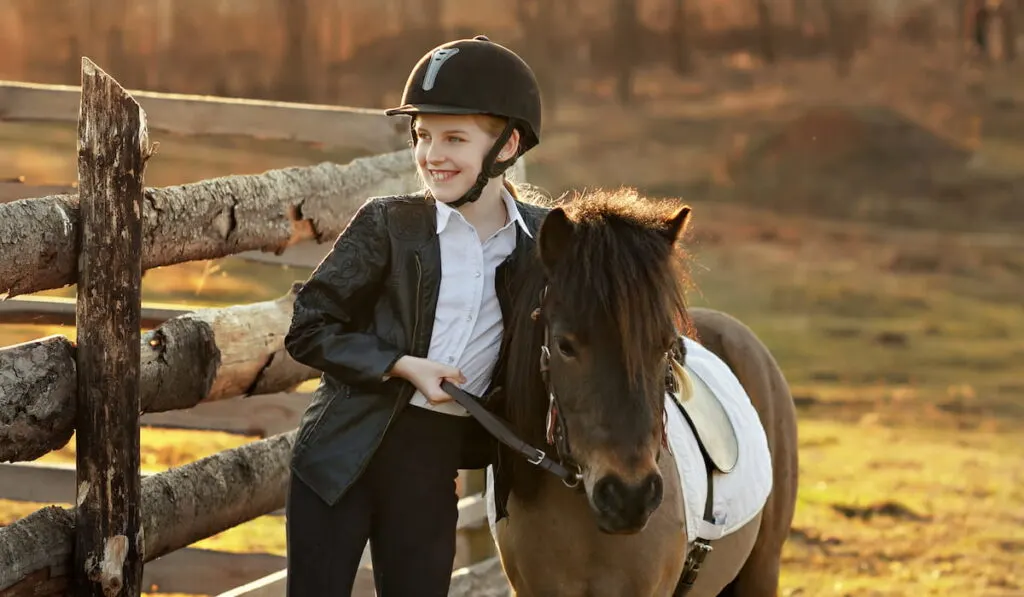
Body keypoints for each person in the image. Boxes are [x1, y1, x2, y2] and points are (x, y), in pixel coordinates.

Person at [282, 35, 548, 596]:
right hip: (341, 456)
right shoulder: (390, 224)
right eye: (423, 136)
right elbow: (309, 326)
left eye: (455, 138)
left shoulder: (542, 242)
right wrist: (402, 364)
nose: (432, 155)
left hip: (432, 464)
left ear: (507, 144)